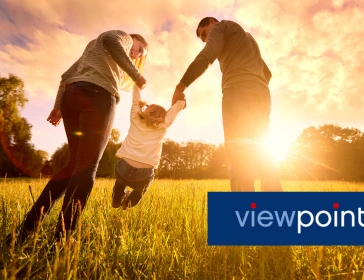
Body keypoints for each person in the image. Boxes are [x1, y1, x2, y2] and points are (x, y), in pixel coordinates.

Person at [7, 30, 149, 245]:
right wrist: (136, 74)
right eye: (139, 48)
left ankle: (25, 230)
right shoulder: (122, 37)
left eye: (140, 54)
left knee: (74, 164)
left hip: (73, 97)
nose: (136, 54)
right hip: (98, 97)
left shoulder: (95, 51)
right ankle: (62, 239)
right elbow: (111, 39)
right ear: (132, 38)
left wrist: (58, 107)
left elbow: (66, 77)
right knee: (87, 166)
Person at [172, 17, 282, 192]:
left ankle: (242, 214)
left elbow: (208, 55)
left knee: (238, 155)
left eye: (205, 34)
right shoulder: (247, 38)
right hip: (261, 95)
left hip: (238, 91)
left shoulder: (221, 26)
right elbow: (267, 73)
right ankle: (275, 212)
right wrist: (254, 86)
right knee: (263, 155)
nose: (206, 39)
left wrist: (181, 86)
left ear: (212, 23)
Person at [111, 85, 185, 210]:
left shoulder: (135, 117)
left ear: (147, 110)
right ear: (163, 117)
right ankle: (127, 204)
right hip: (144, 173)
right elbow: (176, 109)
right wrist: (180, 96)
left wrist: (137, 86)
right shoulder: (164, 125)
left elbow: (136, 99)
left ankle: (116, 199)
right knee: (140, 190)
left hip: (124, 167)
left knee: (120, 182)